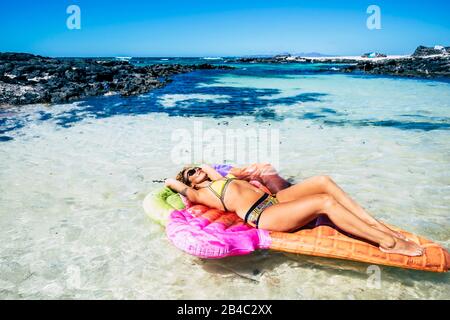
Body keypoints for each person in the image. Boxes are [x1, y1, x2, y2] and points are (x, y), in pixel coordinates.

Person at [165, 164, 423, 256]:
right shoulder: (200, 194)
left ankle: (376, 225)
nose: (197, 170)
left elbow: (208, 168)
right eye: (191, 172)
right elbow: (171, 183)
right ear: (189, 183)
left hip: (274, 200)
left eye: (197, 167)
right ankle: (387, 242)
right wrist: (183, 179)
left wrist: (202, 169)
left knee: (322, 180)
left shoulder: (220, 178)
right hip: (263, 216)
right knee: (324, 202)